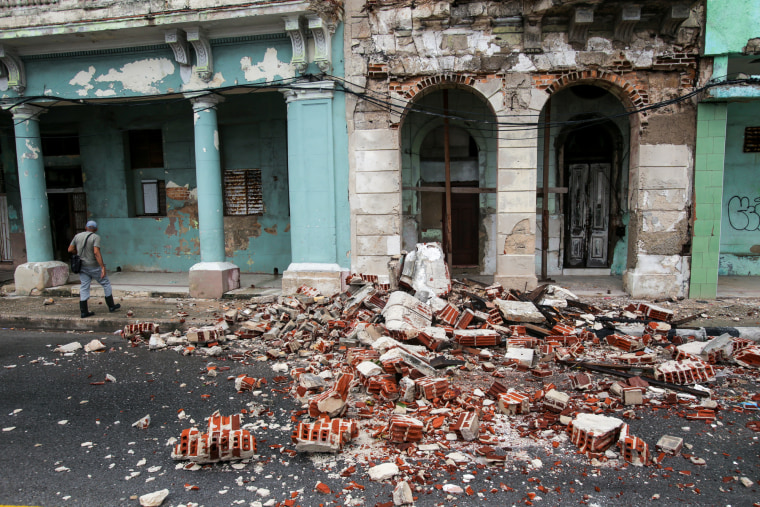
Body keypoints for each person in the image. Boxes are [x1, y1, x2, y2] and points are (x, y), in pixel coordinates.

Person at [68, 220, 121, 318]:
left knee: (84, 286)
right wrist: (102, 267)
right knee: (105, 283)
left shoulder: (77, 236)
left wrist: (78, 252)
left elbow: (70, 249)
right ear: (96, 229)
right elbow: (96, 252)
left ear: (86, 227)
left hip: (82, 266)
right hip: (93, 265)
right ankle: (111, 306)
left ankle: (84, 311)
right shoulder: (95, 237)